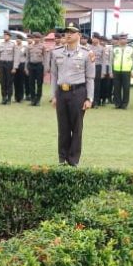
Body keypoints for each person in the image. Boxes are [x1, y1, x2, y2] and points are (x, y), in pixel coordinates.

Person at [48, 24, 96, 166]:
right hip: (62, 92)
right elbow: (54, 75)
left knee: (76, 127)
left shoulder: (87, 53)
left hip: (78, 92)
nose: (68, 35)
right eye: (66, 32)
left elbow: (90, 78)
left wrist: (89, 98)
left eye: (72, 32)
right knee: (62, 127)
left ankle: (73, 160)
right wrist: (54, 95)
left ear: (79, 35)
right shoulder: (56, 53)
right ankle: (62, 159)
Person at [110, 33, 133, 109]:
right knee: (116, 88)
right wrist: (110, 71)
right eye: (121, 38)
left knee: (126, 88)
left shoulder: (131, 48)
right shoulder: (115, 48)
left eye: (124, 39)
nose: (123, 40)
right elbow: (111, 61)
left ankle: (125, 104)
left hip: (127, 70)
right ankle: (117, 103)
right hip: (116, 70)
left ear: (127, 40)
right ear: (119, 40)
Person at [0, 31, 16, 104]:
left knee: (9, 82)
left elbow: (15, 57)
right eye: (4, 35)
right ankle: (3, 98)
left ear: (9, 36)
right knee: (2, 82)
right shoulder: (0, 45)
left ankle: (9, 98)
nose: (5, 36)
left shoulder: (13, 45)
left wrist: (14, 67)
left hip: (9, 64)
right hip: (2, 64)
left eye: (6, 35)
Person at [26, 33, 46, 106]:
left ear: (40, 38)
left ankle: (38, 100)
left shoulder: (43, 47)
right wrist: (26, 68)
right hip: (31, 66)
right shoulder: (29, 47)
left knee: (39, 84)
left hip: (39, 66)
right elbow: (27, 58)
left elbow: (45, 58)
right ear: (33, 38)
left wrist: (45, 69)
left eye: (37, 38)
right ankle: (32, 99)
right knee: (31, 83)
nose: (36, 39)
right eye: (34, 38)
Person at [13, 35, 29, 103]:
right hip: (15, 66)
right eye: (17, 39)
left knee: (21, 82)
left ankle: (21, 97)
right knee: (15, 82)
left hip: (22, 65)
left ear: (21, 40)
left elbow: (27, 57)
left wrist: (26, 67)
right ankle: (16, 97)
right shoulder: (14, 47)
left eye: (19, 39)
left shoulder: (24, 47)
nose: (18, 40)